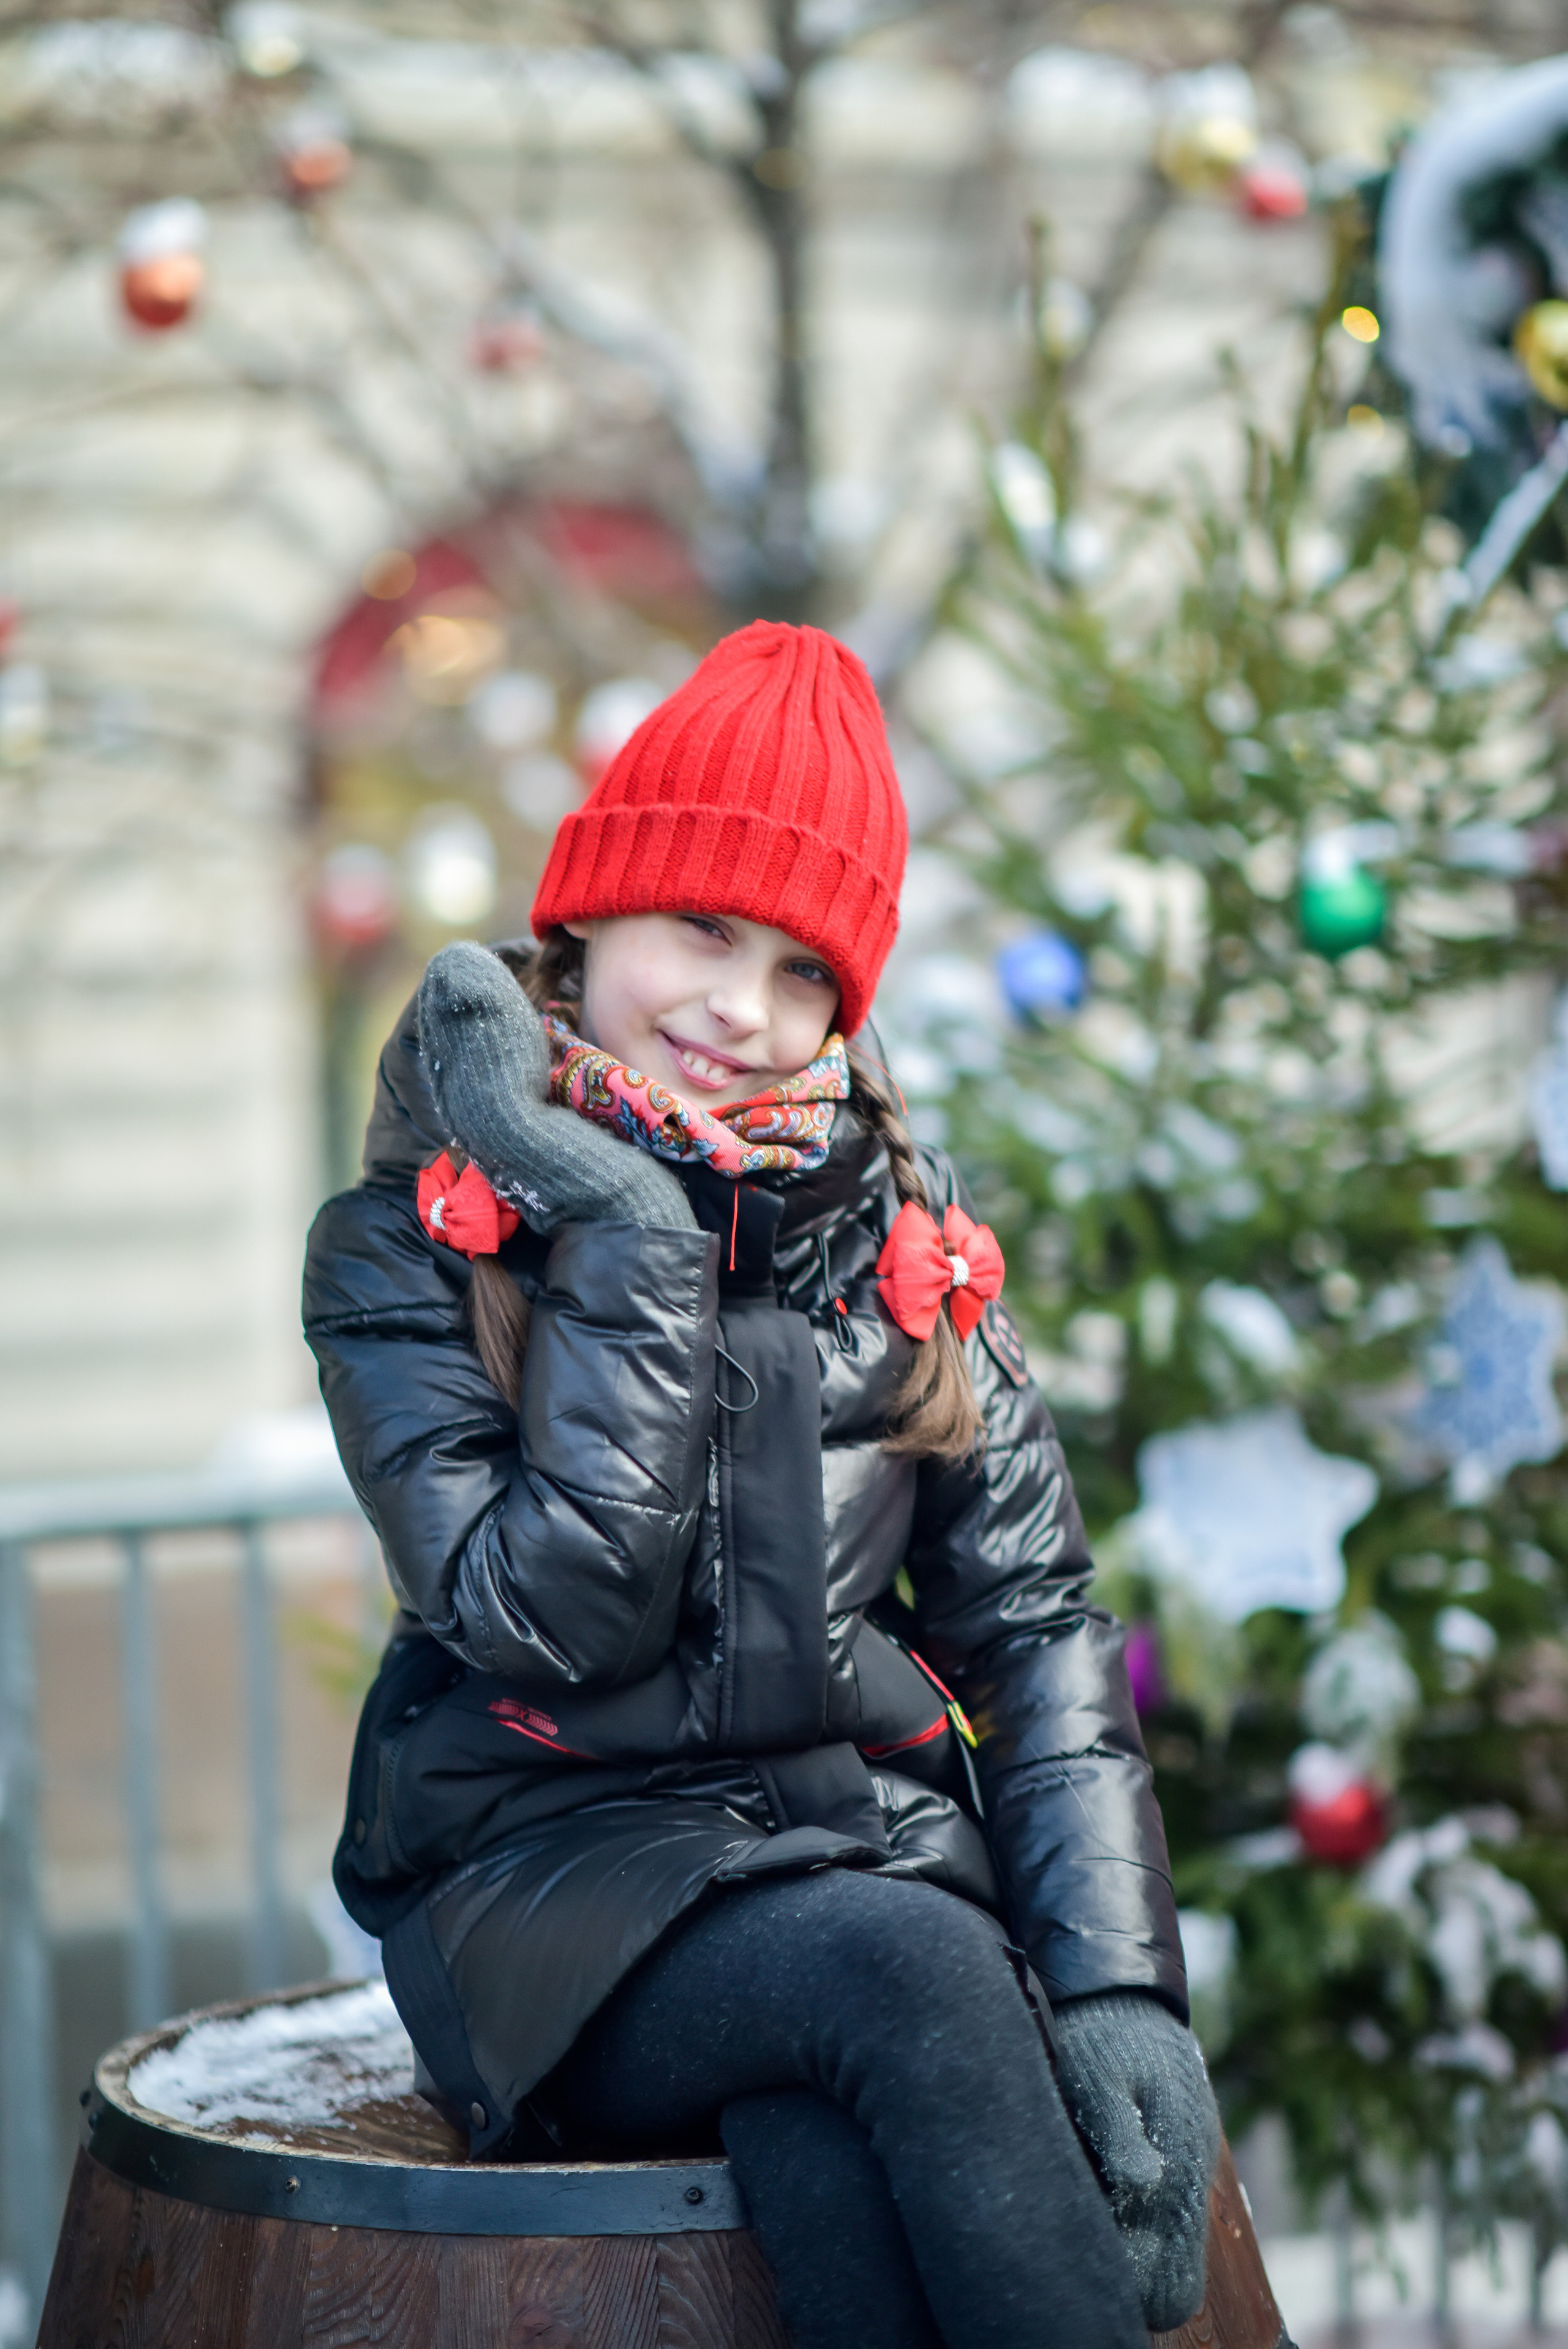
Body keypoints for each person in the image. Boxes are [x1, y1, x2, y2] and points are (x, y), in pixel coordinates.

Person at [304, 620, 1219, 2349]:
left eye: (804, 970)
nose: (744, 1009)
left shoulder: (893, 1238)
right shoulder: (405, 1241)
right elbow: (536, 1612)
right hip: (544, 1888)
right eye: (702, 930)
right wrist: (629, 1232)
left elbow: (1031, 1625)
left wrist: (1115, 1986)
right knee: (914, 1972)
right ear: (585, 924)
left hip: (840, 1881)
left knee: (831, 2154)